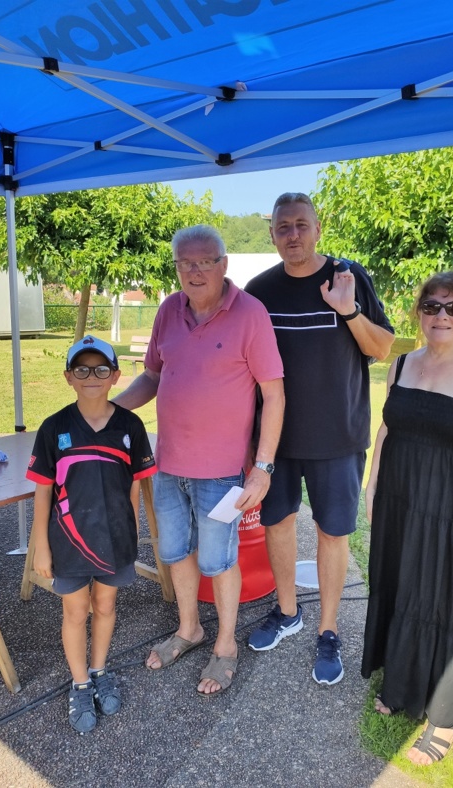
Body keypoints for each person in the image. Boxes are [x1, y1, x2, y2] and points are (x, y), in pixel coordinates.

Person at [113, 225, 284, 697]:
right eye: (185, 262)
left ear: (223, 264)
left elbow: (274, 394)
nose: (195, 270)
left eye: (205, 261)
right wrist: (109, 413)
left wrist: (263, 467)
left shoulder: (250, 314)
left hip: (224, 472)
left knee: (219, 559)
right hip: (169, 464)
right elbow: (152, 377)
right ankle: (189, 629)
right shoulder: (169, 309)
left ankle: (226, 646)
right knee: (174, 552)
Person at [361, 271, 453, 765]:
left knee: (448, 600)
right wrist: (372, 485)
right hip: (400, 500)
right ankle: (400, 685)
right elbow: (387, 429)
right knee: (401, 586)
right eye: (431, 306)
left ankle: (444, 716)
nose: (441, 316)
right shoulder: (402, 365)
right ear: (419, 313)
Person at [245, 192, 394, 685]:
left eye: (301, 225)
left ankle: (328, 629)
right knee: (278, 523)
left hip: (338, 437)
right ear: (272, 234)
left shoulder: (349, 276)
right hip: (277, 441)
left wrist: (347, 311)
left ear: (318, 228)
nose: (293, 235)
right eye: (283, 227)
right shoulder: (259, 291)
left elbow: (383, 347)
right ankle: (288, 612)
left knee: (333, 532)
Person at [27, 335, 157, 733]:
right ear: (68, 377)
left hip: (115, 540)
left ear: (115, 376)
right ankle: (80, 682)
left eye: (101, 369)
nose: (91, 377)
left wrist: (133, 531)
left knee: (105, 605)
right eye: (81, 370)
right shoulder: (54, 428)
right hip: (68, 542)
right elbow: (43, 492)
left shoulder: (130, 426)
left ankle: (99, 670)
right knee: (74, 611)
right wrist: (41, 547)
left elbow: (134, 486)